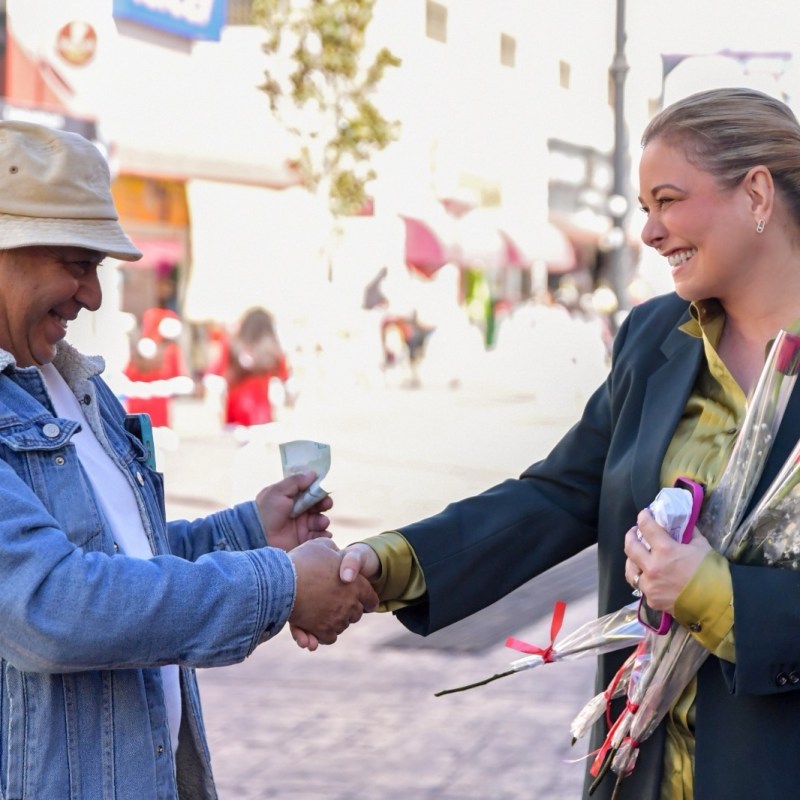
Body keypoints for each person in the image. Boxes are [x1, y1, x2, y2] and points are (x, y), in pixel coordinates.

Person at [325, 87, 800, 800]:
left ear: (757, 193)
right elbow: (561, 493)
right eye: (644, 209)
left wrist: (715, 595)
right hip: (640, 772)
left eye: (668, 201)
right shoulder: (653, 339)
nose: (648, 232)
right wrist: (394, 564)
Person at [0, 120, 378, 799]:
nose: (92, 297)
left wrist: (245, 531)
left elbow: (121, 560)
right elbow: (51, 606)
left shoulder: (78, 384)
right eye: (77, 264)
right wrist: (281, 584)